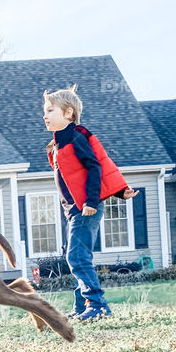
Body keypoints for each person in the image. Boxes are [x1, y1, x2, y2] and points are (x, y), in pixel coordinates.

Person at [43, 85, 139, 321]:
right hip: (74, 211)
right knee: (77, 257)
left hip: (86, 208)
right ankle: (81, 306)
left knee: (76, 257)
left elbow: (96, 167)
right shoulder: (58, 144)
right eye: (44, 111)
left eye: (50, 110)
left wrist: (92, 201)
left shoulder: (76, 136)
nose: (45, 115)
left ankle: (98, 304)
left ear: (68, 113)